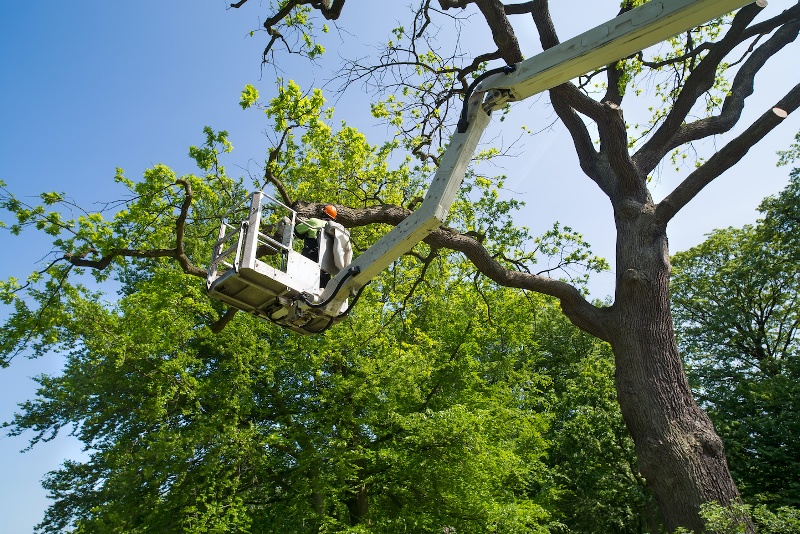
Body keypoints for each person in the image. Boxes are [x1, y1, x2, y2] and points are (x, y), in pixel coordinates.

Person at [294, 204, 340, 286]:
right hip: (326, 269)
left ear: (322, 213)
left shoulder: (315, 222)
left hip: (309, 260)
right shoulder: (336, 232)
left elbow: (297, 230)